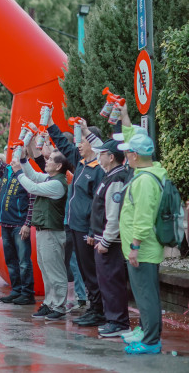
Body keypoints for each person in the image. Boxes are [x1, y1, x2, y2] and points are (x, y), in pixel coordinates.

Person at [117, 107, 166, 354]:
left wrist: (134, 246)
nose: (125, 156)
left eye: (128, 153)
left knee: (146, 297)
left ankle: (151, 341)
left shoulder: (144, 181)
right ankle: (148, 333)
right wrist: (124, 117)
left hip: (142, 249)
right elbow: (132, 139)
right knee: (146, 295)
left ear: (135, 156)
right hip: (144, 249)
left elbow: (143, 219)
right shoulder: (146, 170)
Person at [47, 116, 105, 327]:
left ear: (94, 143)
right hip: (75, 226)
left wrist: (92, 230)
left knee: (91, 271)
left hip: (87, 230)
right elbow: (62, 144)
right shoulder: (80, 162)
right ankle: (94, 308)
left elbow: (99, 204)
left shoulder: (98, 169)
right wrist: (50, 122)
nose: (78, 145)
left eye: (83, 141)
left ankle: (99, 311)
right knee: (85, 270)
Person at [12, 148, 71, 321]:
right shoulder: (51, 179)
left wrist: (18, 172)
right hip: (44, 231)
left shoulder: (57, 183)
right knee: (46, 270)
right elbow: (33, 176)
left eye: (51, 159)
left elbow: (32, 187)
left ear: (58, 166)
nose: (47, 161)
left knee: (55, 271)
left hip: (52, 232)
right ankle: (50, 302)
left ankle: (58, 306)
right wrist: (24, 161)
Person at [0, 128, 36, 305]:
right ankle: (16, 290)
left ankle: (27, 293)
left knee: (24, 262)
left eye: (18, 150)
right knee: (11, 260)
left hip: (20, 224)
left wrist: (27, 223)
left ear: (25, 154)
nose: (14, 154)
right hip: (5, 223)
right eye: (13, 150)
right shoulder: (7, 170)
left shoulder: (29, 173)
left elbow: (32, 200)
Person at [89, 139, 130, 337]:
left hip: (111, 242)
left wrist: (105, 241)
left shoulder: (116, 179)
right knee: (106, 281)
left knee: (112, 281)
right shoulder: (110, 176)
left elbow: (113, 215)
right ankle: (113, 319)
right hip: (104, 239)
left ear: (111, 157)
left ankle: (118, 321)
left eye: (102, 154)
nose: (99, 157)